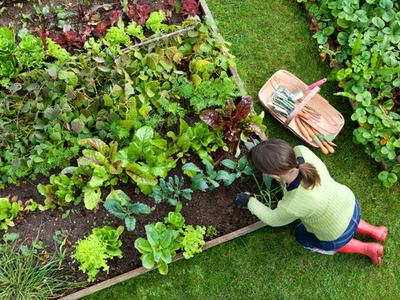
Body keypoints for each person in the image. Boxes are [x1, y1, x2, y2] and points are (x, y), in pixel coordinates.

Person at [235, 138, 388, 265]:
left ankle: (368, 249)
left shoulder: (292, 204)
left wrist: (249, 201)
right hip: (350, 204)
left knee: (301, 236)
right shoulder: (303, 152)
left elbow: (272, 219)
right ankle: (376, 231)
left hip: (335, 234)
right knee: (341, 216)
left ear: (273, 175)